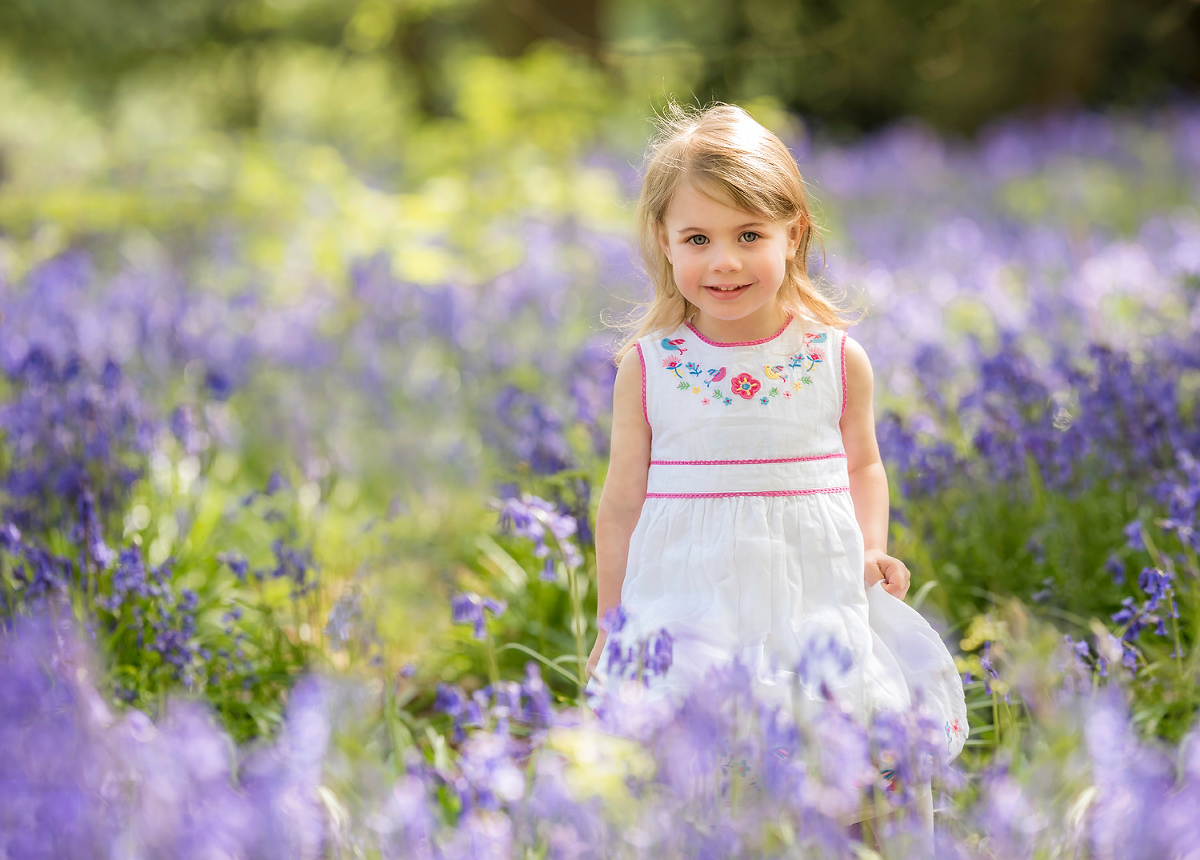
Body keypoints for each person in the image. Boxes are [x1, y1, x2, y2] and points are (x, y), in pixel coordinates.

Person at [585, 102, 968, 822]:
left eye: (749, 234)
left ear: (794, 234)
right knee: (694, 763)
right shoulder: (651, 366)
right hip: (689, 593)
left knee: (832, 745)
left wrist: (873, 545)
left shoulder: (833, 358)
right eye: (697, 237)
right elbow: (622, 502)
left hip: (810, 591)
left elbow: (862, 465)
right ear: (663, 243)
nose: (723, 260)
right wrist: (614, 621)